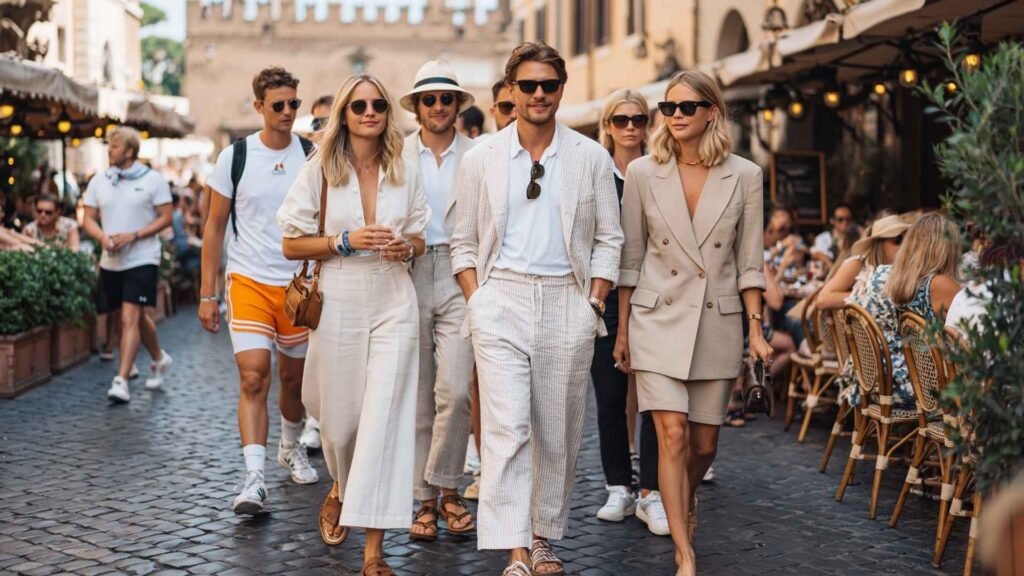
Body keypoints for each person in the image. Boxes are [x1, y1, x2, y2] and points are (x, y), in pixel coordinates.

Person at [451, 41, 623, 576]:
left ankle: (545, 536)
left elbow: (609, 240)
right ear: (511, 91)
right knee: (507, 429)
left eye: (549, 85)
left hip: (566, 301)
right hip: (500, 297)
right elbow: (462, 242)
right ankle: (516, 550)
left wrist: (591, 302)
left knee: (557, 429)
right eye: (528, 85)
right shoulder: (481, 158)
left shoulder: (591, 156)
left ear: (561, 90)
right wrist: (478, 301)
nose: (539, 94)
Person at [613, 70, 771, 576]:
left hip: (717, 321)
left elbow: (750, 262)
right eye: (668, 107)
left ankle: (684, 500)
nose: (675, 116)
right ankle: (685, 555)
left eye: (686, 107)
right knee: (673, 436)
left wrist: (757, 329)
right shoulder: (642, 173)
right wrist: (621, 331)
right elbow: (630, 262)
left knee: (704, 445)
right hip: (656, 320)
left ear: (711, 113)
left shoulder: (745, 175)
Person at [277, 73, 428, 576]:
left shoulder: (405, 165)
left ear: (387, 112)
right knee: (340, 425)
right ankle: (340, 485)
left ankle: (374, 552)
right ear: (344, 112)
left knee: (383, 421)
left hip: (393, 297)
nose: (370, 112)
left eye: (378, 104)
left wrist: (405, 247)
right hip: (339, 293)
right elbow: (291, 244)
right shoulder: (319, 167)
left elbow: (421, 236)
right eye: (359, 105)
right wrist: (345, 241)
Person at [199, 67, 319, 515]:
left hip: (297, 286)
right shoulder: (235, 157)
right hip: (247, 280)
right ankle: (254, 478)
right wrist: (207, 294)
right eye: (279, 105)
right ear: (258, 107)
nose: (288, 112)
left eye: (294, 104)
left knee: (294, 381)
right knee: (253, 376)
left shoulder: (312, 155)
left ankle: (290, 445)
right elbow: (213, 227)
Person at [398, 60, 478, 541]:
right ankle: (428, 500)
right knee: (419, 395)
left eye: (446, 98)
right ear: (417, 107)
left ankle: (446, 486)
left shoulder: (481, 153)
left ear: (457, 105)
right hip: (406, 271)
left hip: (461, 272)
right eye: (429, 99)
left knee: (457, 390)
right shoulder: (397, 155)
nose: (438, 106)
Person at [589, 88, 666, 535]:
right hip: (607, 295)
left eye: (638, 118)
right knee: (611, 398)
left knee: (654, 398)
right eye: (621, 120)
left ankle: (650, 491)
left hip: (653, 297)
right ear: (608, 126)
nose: (631, 127)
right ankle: (618, 484)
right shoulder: (595, 171)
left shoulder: (659, 171)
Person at [82, 126, 174, 403]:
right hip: (111, 260)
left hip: (142, 257)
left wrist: (134, 235)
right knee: (130, 317)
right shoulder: (99, 181)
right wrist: (102, 237)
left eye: (114, 145)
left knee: (129, 317)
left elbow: (166, 217)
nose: (109, 150)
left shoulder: (153, 180)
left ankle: (121, 380)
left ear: (129, 151)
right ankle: (158, 357)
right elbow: (87, 218)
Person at [463, 77, 521, 503]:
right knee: (481, 387)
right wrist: (476, 297)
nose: (513, 112)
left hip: (543, 298)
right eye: (504, 106)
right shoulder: (481, 159)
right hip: (488, 296)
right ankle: (487, 467)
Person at [296, 94, 335, 451]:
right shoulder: (307, 167)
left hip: (347, 272)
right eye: (317, 123)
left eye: (328, 121)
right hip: (316, 273)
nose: (322, 130)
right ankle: (313, 420)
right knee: (316, 353)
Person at [887, 212, 961, 321]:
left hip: (910, 339)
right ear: (947, 249)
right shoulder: (940, 284)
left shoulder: (902, 282)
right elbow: (975, 324)